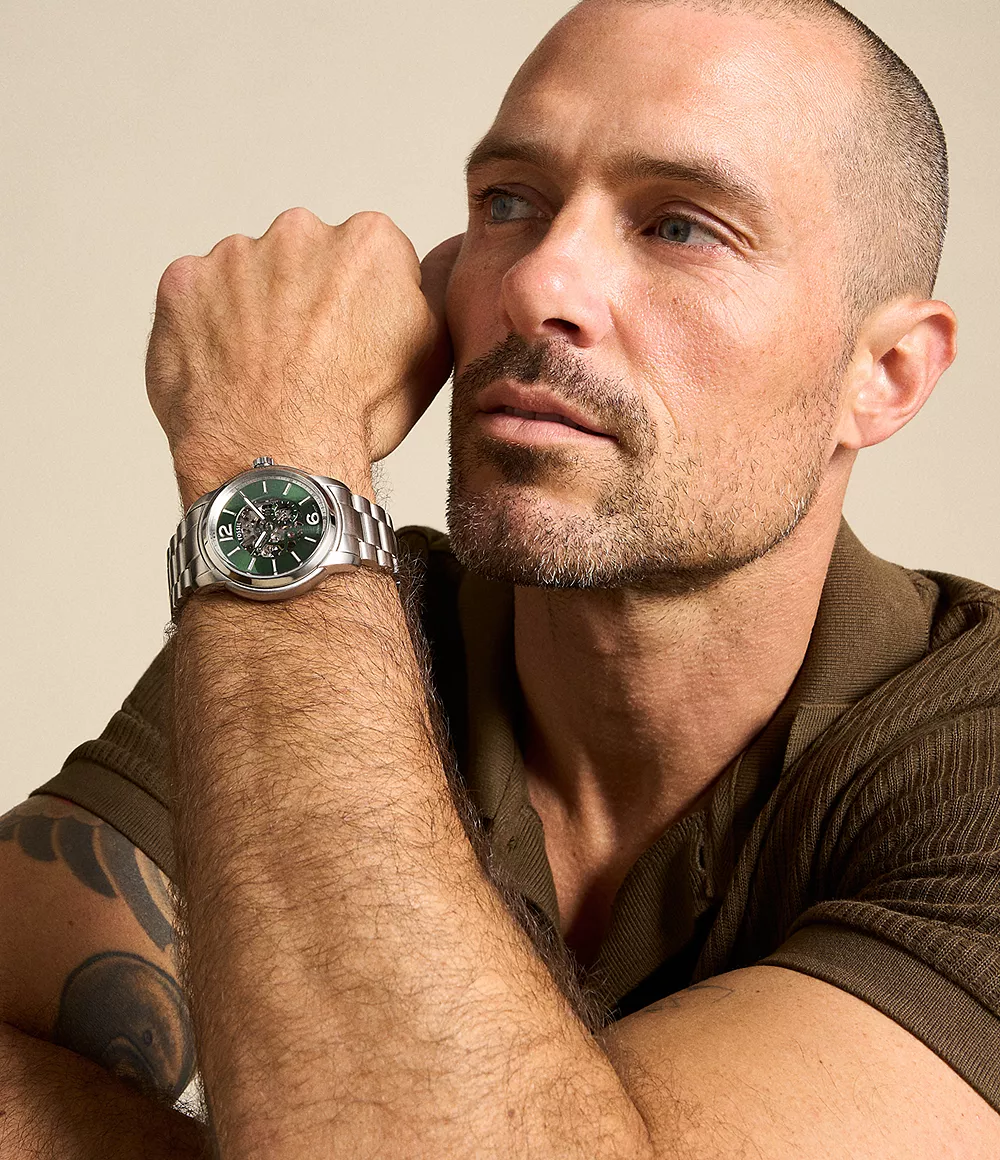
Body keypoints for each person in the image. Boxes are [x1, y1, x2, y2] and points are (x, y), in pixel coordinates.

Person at [2, 0, 999, 1154]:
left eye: (679, 226)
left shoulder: (967, 749)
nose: (537, 284)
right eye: (509, 203)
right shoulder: (351, 625)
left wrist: (271, 444)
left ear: (885, 372)